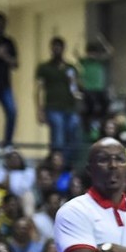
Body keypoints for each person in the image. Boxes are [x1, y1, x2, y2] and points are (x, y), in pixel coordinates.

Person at [35, 37, 82, 167]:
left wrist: (74, 81)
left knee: (73, 135)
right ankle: (56, 165)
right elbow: (38, 90)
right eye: (54, 47)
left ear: (63, 49)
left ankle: (67, 165)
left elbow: (77, 88)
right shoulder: (44, 68)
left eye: (59, 47)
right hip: (52, 107)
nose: (57, 49)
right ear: (51, 49)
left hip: (70, 108)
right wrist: (39, 110)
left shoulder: (70, 68)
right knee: (58, 136)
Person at [0, 12, 18, 150]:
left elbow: (15, 64)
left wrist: (6, 56)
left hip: (5, 84)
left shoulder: (9, 42)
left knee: (12, 111)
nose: (1, 26)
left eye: (3, 23)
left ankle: (8, 142)